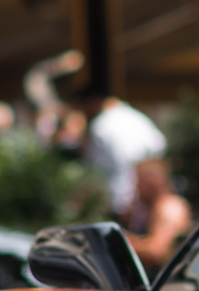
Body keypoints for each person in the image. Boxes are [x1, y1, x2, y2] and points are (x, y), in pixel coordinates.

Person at [81, 88, 168, 217]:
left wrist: (124, 204)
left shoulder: (101, 126)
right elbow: (160, 145)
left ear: (93, 102)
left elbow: (97, 168)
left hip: (121, 205)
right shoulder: (137, 117)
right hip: (144, 201)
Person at [120, 157, 192, 273]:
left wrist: (120, 242)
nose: (136, 188)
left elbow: (157, 251)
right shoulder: (152, 208)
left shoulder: (169, 208)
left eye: (138, 181)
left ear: (152, 182)